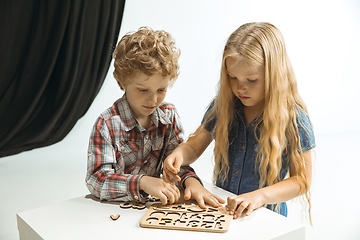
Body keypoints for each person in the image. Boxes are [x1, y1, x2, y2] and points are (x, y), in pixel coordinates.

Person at [163, 22, 315, 220]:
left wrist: (260, 197)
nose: (240, 88)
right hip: (224, 213)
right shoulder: (223, 106)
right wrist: (179, 155)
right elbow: (193, 147)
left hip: (266, 219)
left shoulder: (294, 118)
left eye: (251, 80)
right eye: (232, 77)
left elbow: (302, 180)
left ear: (275, 75)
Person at [85, 27, 213, 206]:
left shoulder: (169, 116)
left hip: (152, 208)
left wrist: (191, 182)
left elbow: (177, 164)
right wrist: (143, 182)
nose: (153, 99)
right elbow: (97, 180)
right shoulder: (107, 123)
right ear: (123, 82)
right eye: (143, 90)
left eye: (161, 90)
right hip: (114, 210)